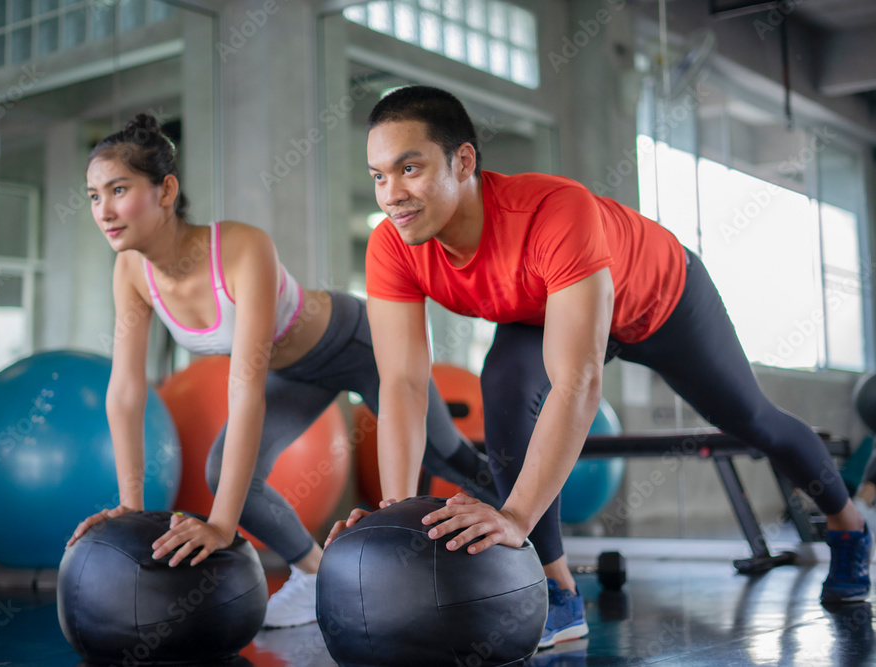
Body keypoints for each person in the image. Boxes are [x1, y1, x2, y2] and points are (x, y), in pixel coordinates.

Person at [328, 85, 872, 648]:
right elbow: (403, 383)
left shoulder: (552, 212)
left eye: (409, 168)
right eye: (378, 176)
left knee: (750, 419)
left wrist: (512, 516)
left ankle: (847, 524)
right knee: (506, 383)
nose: (391, 194)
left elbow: (579, 381)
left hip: (661, 298)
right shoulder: (393, 246)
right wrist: (395, 513)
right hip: (542, 309)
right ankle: (557, 587)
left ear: (463, 160)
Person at [65, 113, 498, 629]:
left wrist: (223, 525)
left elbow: (246, 389)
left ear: (165, 190)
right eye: (94, 196)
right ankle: (316, 574)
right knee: (224, 473)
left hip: (355, 341)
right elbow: (126, 391)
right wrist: (131, 510)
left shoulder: (241, 248)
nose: (104, 210)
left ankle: (524, 521)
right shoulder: (131, 272)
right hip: (294, 371)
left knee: (442, 452)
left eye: (118, 189)